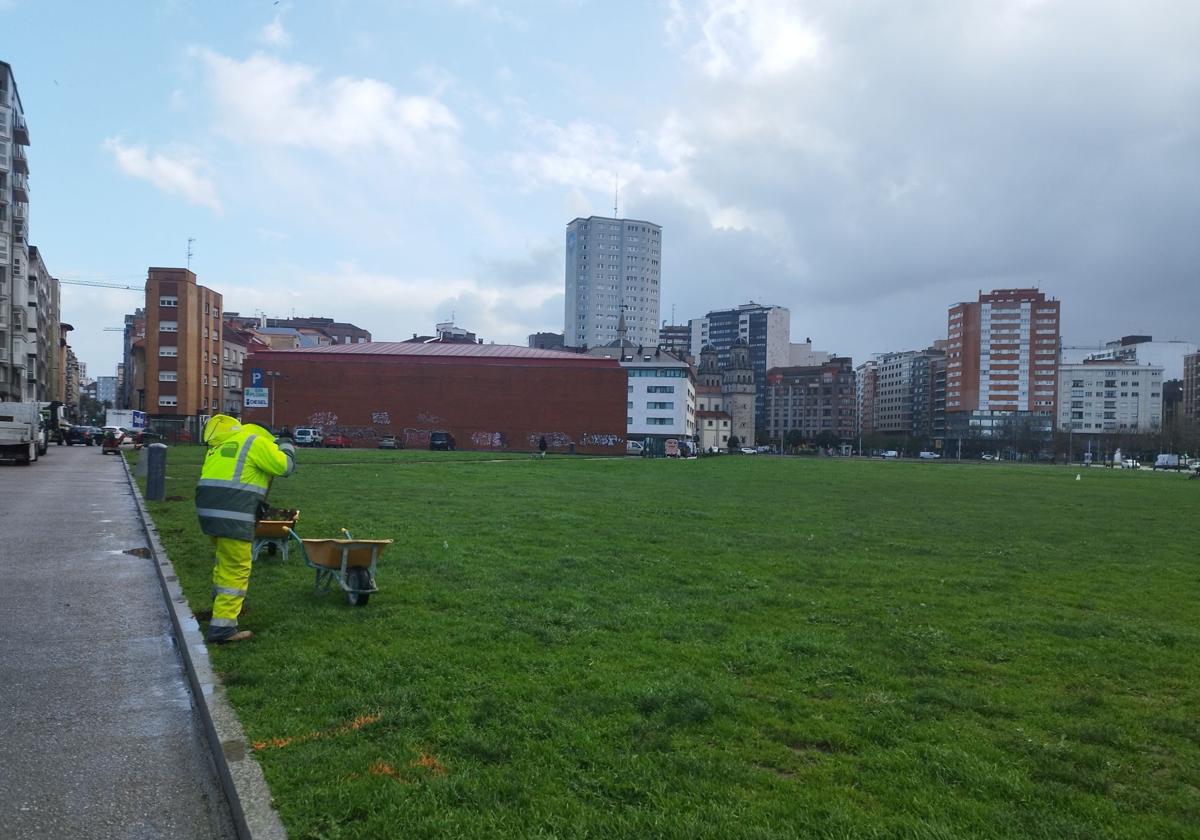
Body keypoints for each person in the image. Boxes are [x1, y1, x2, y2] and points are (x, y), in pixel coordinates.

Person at [195, 414, 295, 644]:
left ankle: (220, 608)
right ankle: (223, 629)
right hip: (233, 515)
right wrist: (287, 446)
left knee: (224, 561)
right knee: (237, 568)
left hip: (209, 513)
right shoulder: (256, 442)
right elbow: (285, 467)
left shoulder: (230, 440)